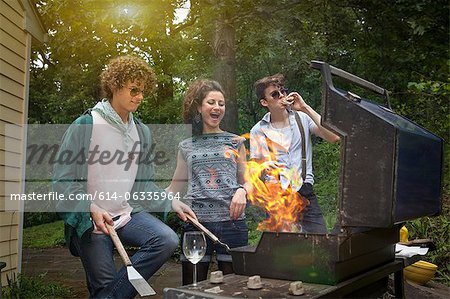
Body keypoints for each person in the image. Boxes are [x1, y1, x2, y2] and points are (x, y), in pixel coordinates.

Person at [52, 55, 195, 298]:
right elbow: (61, 182)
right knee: (105, 286)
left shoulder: (141, 131)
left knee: (166, 239)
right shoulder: (85, 124)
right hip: (92, 219)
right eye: (134, 89)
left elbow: (142, 186)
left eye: (143, 91)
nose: (140, 96)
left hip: (126, 215)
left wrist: (171, 201)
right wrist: (90, 207)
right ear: (115, 85)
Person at [167, 79, 251, 285]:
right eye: (211, 102)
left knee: (235, 289)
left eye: (221, 104)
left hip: (232, 224)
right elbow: (173, 188)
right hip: (196, 224)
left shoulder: (236, 142)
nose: (217, 108)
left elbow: (249, 182)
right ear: (199, 107)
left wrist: (242, 192)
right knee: (192, 289)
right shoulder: (186, 146)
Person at [250, 74, 340, 233]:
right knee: (282, 251)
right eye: (275, 95)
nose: (281, 96)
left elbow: (334, 137)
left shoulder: (302, 118)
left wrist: (304, 107)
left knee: (320, 245)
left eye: (283, 92)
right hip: (277, 198)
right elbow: (254, 169)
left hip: (305, 194)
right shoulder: (258, 130)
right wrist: (263, 166)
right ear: (264, 102)